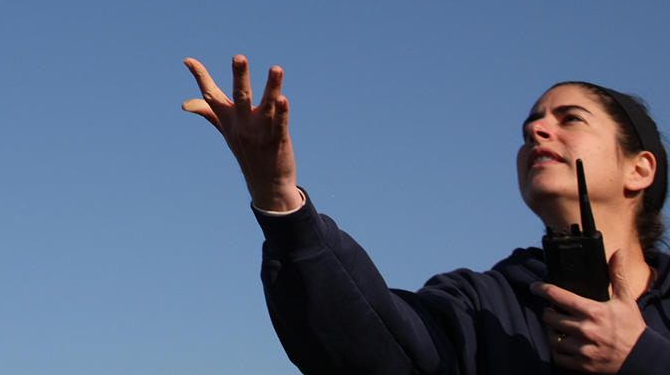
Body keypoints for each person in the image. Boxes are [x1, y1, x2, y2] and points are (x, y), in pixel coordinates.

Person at [182, 55, 670, 373]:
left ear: (640, 169)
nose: (538, 130)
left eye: (570, 119)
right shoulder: (481, 304)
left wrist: (641, 357)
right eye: (530, 125)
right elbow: (373, 345)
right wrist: (278, 197)